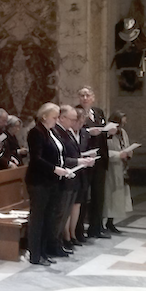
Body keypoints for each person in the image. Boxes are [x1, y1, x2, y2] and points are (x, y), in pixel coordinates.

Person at [25, 103, 75, 266]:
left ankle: (44, 251)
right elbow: (36, 159)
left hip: (51, 181)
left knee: (48, 217)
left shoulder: (50, 132)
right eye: (54, 117)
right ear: (45, 116)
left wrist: (62, 169)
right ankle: (35, 254)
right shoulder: (36, 132)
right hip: (39, 181)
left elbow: (58, 154)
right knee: (38, 218)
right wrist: (54, 169)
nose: (56, 120)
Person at [53, 105, 95, 252]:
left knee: (72, 207)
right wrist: (79, 161)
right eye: (72, 119)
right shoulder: (58, 132)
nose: (74, 122)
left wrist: (83, 159)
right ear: (61, 118)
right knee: (63, 210)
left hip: (75, 175)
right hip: (65, 176)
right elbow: (61, 157)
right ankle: (63, 238)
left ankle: (70, 236)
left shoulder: (67, 132)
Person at [78, 86, 116, 238]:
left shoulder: (98, 112)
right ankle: (79, 230)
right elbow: (73, 131)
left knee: (98, 195)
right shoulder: (76, 112)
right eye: (82, 95)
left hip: (100, 158)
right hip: (85, 158)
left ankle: (96, 228)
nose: (85, 98)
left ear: (93, 97)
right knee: (82, 196)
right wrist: (88, 132)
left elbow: (103, 132)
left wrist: (109, 133)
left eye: (88, 95)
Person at [104, 111, 133, 234]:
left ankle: (111, 221)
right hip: (109, 168)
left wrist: (129, 152)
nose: (123, 126)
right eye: (121, 123)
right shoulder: (107, 133)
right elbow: (104, 151)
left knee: (117, 197)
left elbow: (126, 146)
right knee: (108, 196)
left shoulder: (122, 132)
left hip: (121, 168)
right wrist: (118, 155)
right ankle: (102, 222)